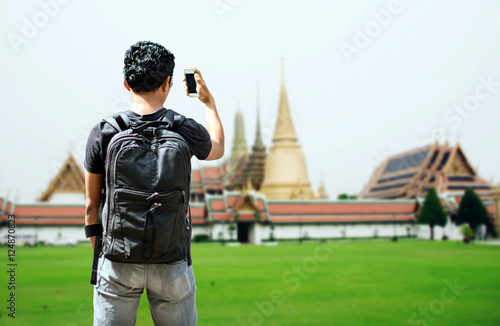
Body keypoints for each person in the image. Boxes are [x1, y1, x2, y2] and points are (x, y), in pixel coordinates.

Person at [84, 40, 224, 326]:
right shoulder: (184, 128)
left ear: (126, 83)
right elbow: (218, 149)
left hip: (118, 260)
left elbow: (91, 207)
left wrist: (106, 256)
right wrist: (209, 104)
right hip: (172, 262)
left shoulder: (104, 132)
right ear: (168, 83)